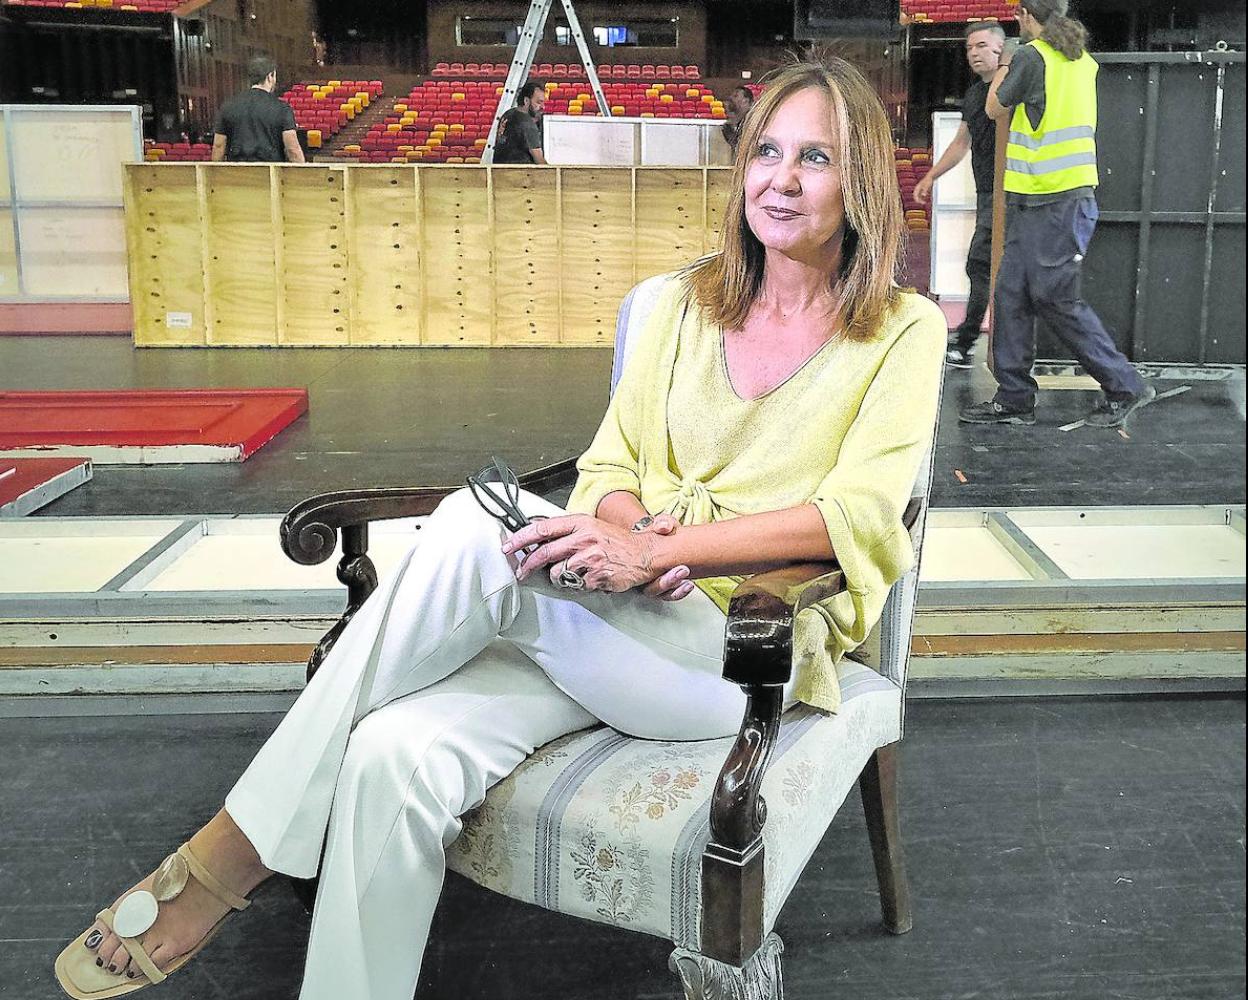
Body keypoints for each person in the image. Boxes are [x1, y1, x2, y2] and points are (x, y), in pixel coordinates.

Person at [53, 57, 945, 1000]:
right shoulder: (686, 302)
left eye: (817, 158)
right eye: (767, 151)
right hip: (627, 615)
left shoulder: (902, 329)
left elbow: (859, 517)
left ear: (861, 181)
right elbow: (608, 469)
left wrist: (661, 548)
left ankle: (228, 858)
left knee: (470, 530)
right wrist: (624, 540)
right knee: (393, 755)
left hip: (743, 654)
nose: (783, 178)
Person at [961, 0, 1154, 428]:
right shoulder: (1079, 58)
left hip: (1055, 201)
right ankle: (1014, 398)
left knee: (1054, 297)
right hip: (1044, 198)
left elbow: (994, 107)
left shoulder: (1031, 57)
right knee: (1010, 293)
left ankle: (1124, 384)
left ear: (1026, 16)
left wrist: (1006, 61)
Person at [914, 23, 1006, 369]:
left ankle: (967, 343)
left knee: (980, 265)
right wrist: (931, 176)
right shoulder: (974, 94)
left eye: (981, 45)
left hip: (1009, 194)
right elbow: (961, 142)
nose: (974, 53)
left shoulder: (1010, 90)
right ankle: (971, 343)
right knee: (983, 267)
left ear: (1000, 49)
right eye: (969, 48)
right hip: (987, 194)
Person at [210, 54, 305, 164]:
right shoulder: (282, 108)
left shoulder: (227, 106)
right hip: (270, 172)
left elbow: (218, 146)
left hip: (237, 172)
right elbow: (292, 150)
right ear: (270, 76)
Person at [492, 80, 547, 165]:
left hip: (499, 170)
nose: (543, 107)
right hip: (520, 171)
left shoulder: (507, 114)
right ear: (526, 101)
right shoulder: (527, 123)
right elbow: (539, 161)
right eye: (539, 102)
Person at [721, 84, 755, 154]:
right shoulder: (728, 125)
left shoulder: (754, 122)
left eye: (735, 96)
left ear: (745, 101)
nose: (731, 98)